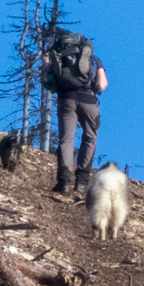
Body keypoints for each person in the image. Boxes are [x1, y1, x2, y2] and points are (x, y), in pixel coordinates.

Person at [43, 31, 108, 196]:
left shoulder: (59, 60)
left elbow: (50, 88)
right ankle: (81, 182)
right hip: (89, 101)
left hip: (67, 100)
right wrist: (96, 88)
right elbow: (102, 84)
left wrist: (47, 65)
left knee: (66, 139)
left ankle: (64, 181)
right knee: (90, 138)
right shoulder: (94, 60)